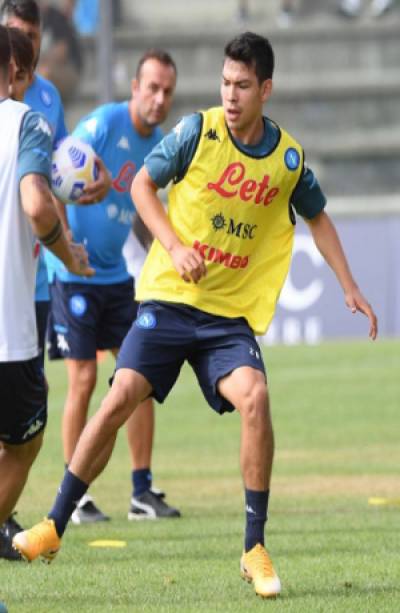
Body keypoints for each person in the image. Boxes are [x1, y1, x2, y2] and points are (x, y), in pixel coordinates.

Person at [13, 32, 378, 598]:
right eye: (225, 84)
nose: (230, 96)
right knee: (117, 397)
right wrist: (176, 247)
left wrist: (349, 285)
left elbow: (318, 216)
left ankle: (254, 547)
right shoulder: (197, 132)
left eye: (242, 86)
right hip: (168, 299)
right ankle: (54, 525)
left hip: (227, 317)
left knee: (255, 397)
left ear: (266, 89)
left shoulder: (287, 159)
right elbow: (141, 186)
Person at [45, 49, 180, 524]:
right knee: (82, 380)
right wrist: (64, 247)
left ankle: (142, 492)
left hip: (119, 280)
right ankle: (75, 495)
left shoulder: (158, 142)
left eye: (167, 91)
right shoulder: (103, 124)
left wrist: (169, 250)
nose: (159, 99)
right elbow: (57, 173)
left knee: (139, 381)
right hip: (74, 277)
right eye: (153, 88)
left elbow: (144, 214)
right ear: (135, 88)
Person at [0, 0, 111, 556]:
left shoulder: (46, 107)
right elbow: (37, 204)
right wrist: (65, 252)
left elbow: (58, 176)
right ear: (14, 69)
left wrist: (77, 187)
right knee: (24, 439)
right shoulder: (25, 120)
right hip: (7, 322)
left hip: (28, 298)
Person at [38, 0, 83, 104]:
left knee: (43, 74)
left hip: (69, 69)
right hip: (43, 69)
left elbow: (62, 52)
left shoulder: (55, 18)